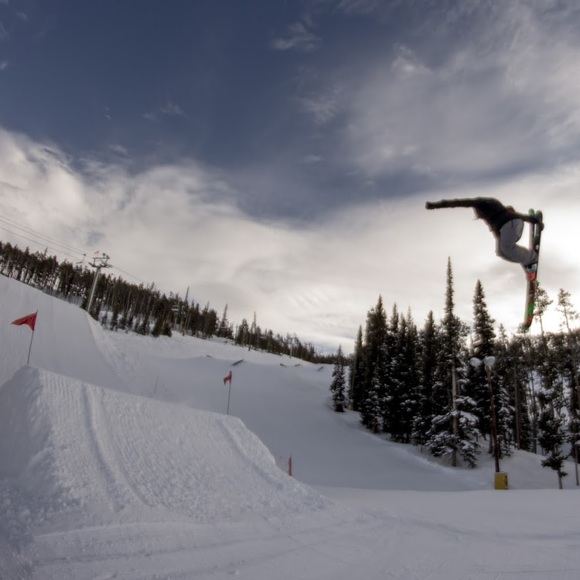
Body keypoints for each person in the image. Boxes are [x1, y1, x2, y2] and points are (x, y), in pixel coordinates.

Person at [425, 197, 543, 269]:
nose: (479, 217)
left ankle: (532, 258)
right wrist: (534, 220)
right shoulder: (493, 219)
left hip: (511, 224)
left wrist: (434, 205)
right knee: (501, 252)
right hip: (511, 227)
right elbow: (513, 215)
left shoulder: (480, 203)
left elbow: (457, 203)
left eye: (478, 215)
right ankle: (526, 259)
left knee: (506, 247)